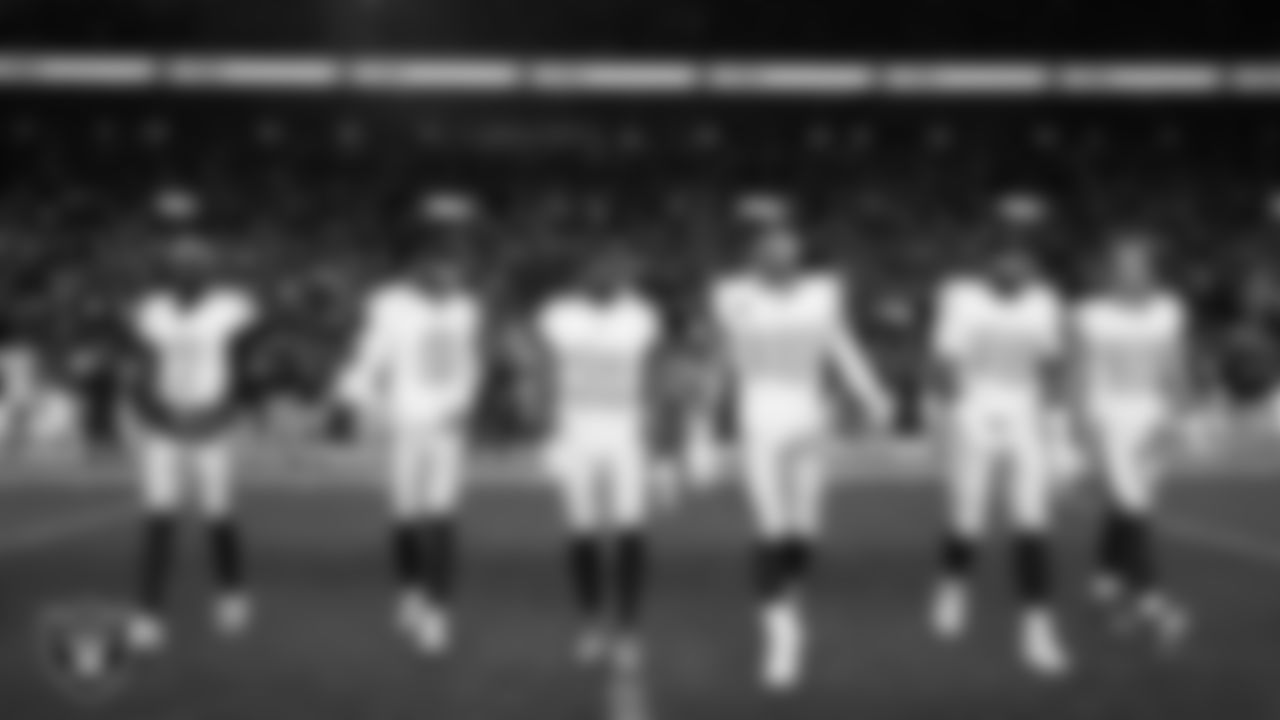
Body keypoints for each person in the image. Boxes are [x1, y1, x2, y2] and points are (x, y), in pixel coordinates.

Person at [707, 221, 893, 691]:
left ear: (799, 256)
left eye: (788, 252)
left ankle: (785, 596)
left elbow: (841, 347)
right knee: (769, 528)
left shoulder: (821, 294)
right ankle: (782, 636)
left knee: (804, 531)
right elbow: (720, 360)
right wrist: (701, 425)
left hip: (810, 422)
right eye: (771, 252)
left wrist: (873, 395)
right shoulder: (732, 296)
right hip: (758, 426)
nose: (781, 261)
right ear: (755, 256)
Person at [926, 239, 1071, 678]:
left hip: (1026, 419)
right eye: (1007, 256)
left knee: (1033, 524)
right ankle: (952, 586)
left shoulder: (1045, 301)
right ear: (991, 260)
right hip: (974, 414)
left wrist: (1060, 435)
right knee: (967, 520)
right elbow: (943, 364)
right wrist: (956, 416)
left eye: (1024, 257)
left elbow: (1052, 368)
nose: (1016, 266)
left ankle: (1037, 629)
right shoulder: (961, 297)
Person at [336, 247, 485, 656]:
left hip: (446, 428)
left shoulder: (466, 308)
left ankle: (438, 613)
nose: (451, 273)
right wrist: (357, 401)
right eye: (442, 264)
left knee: (441, 518)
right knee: (404, 516)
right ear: (421, 266)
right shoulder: (390, 305)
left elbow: (469, 364)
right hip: (403, 425)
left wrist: (464, 405)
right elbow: (369, 357)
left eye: (455, 266)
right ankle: (410, 591)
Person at [123, 236, 263, 653]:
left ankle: (232, 595)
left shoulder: (233, 309)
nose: (187, 272)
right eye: (180, 264)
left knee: (219, 515)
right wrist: (157, 414)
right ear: (168, 269)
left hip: (213, 424)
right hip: (164, 427)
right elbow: (141, 373)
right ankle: (149, 612)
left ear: (208, 269)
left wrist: (223, 411)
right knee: (158, 518)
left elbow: (245, 367)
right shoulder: (151, 311)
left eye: (195, 264)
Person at [526, 246, 663, 671]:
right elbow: (544, 372)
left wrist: (659, 444)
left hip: (626, 434)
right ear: (581, 272)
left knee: (630, 530)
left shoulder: (642, 315)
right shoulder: (557, 315)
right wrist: (547, 434)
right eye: (597, 267)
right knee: (581, 531)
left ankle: (626, 630)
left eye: (613, 267)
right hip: (575, 433)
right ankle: (590, 623)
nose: (606, 275)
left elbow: (653, 378)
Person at [1071, 235, 1191, 648]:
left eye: (1138, 264)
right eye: (1122, 264)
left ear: (1150, 269)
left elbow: (1175, 367)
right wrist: (1084, 433)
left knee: (1128, 508)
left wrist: (1175, 419)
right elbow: (1080, 375)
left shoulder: (1169, 311)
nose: (1131, 272)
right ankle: (1153, 604)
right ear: (1110, 271)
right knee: (1133, 508)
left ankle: (1104, 583)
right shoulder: (1090, 314)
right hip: (1110, 420)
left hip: (1152, 420)